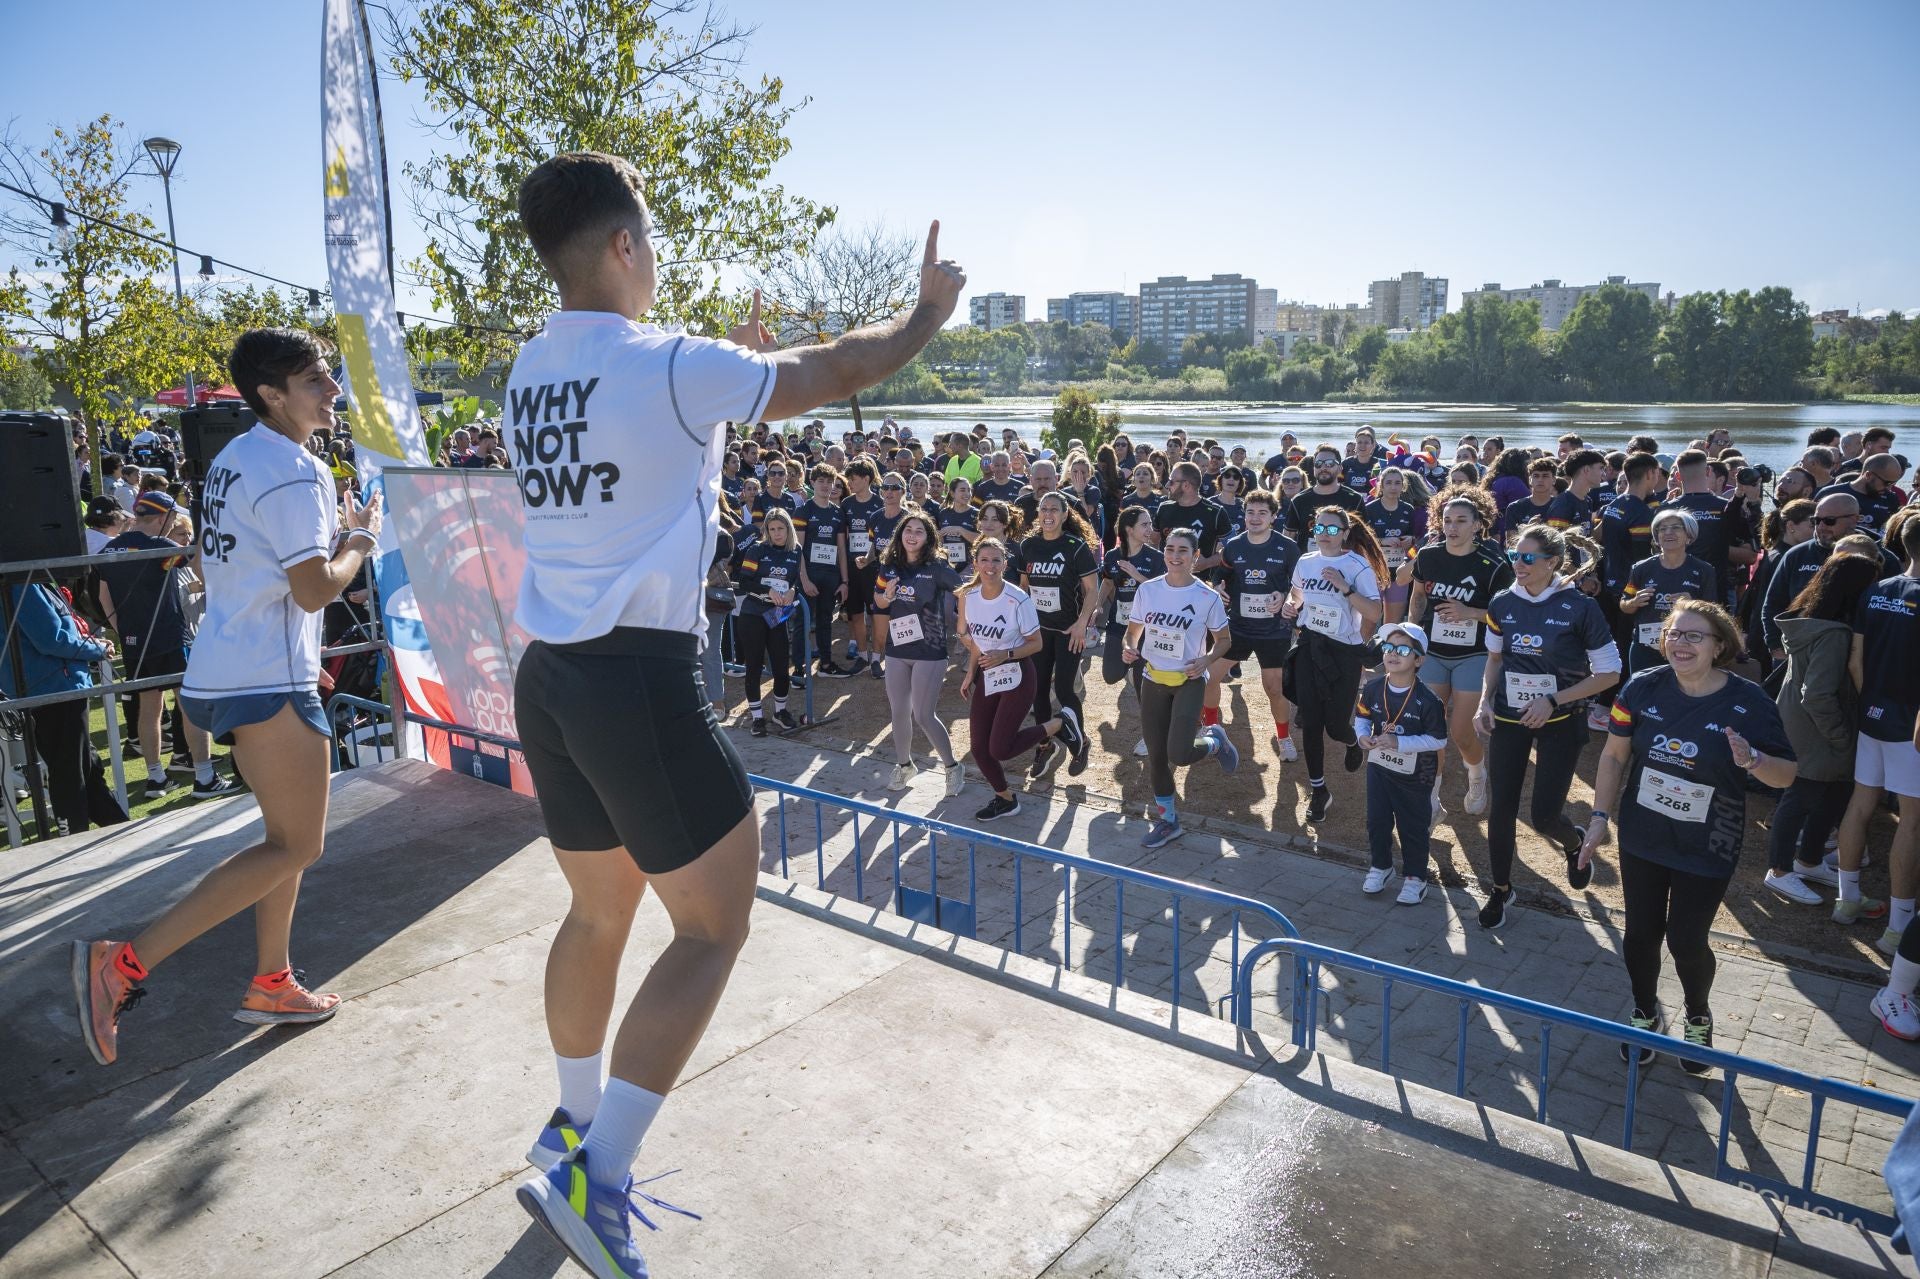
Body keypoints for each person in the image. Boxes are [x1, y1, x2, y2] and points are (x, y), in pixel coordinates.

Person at [501, 153, 964, 1277]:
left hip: (550, 674)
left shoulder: (528, 369)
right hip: (637, 678)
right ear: (623, 245)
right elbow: (831, 368)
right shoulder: (668, 363)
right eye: (649, 240)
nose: (656, 260)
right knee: (713, 927)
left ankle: (568, 1124)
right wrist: (923, 316)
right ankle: (597, 1174)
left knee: (597, 912)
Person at [74, 327, 383, 1067]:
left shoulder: (235, 458)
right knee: (297, 843)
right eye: (316, 380)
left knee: (285, 841)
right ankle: (121, 965)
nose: (332, 390)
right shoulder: (295, 468)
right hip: (265, 678)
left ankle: (273, 979)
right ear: (272, 395)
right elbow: (314, 590)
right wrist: (361, 539)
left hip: (229, 669)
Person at [1580, 600, 1796, 1072]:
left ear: (1720, 645)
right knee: (1639, 934)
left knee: (1686, 939)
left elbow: (1786, 776)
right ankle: (1644, 1012)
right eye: (1674, 633)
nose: (1680, 642)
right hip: (1644, 833)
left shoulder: (1748, 701)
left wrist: (1754, 761)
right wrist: (1599, 817)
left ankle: (1698, 1014)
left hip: (1708, 840)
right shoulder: (1642, 687)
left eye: (1694, 635)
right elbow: (1614, 756)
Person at [1474, 523, 1622, 930]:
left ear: (1552, 562)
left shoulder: (1579, 606)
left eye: (1527, 558)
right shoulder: (1502, 603)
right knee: (1500, 808)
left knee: (1543, 817)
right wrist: (1485, 701)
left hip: (1560, 719)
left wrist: (1554, 699)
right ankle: (1501, 889)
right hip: (1508, 716)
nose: (1517, 565)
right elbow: (1495, 659)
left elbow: (1610, 673)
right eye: (1513, 557)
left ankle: (1573, 843)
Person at [95, 491, 238, 801]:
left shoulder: (110, 547)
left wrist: (124, 630)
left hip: (135, 642)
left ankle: (156, 778)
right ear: (162, 519)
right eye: (172, 518)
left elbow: (103, 597)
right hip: (170, 636)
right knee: (188, 704)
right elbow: (200, 567)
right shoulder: (161, 545)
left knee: (149, 708)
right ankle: (204, 776)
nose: (174, 523)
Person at [1767, 553, 1882, 904]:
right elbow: (1816, 695)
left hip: (1803, 722)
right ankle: (1779, 870)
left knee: (1833, 793)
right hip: (1817, 729)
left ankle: (1809, 860)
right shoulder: (1833, 634)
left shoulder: (1813, 622)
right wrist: (1841, 737)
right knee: (1800, 796)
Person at [1830, 517, 1920, 949]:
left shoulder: (1879, 589)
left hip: (1874, 716)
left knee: (1861, 802)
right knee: (1912, 821)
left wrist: (1873, 705)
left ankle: (1847, 900)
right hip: (1912, 728)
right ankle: (1899, 926)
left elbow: (1855, 660)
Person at [957, 538, 1087, 821]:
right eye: (984, 560)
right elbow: (978, 639)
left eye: (996, 560)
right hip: (989, 674)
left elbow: (1036, 643)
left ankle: (1059, 723)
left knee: (1000, 748)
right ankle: (1005, 799)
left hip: (1017, 673)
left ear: (1005, 563)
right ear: (975, 562)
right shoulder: (968, 596)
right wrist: (970, 673)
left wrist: (1006, 654)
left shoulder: (1018, 598)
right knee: (980, 749)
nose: (989, 566)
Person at [1123, 529, 1237, 848]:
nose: (1175, 556)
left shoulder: (1207, 597)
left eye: (1183, 551)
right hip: (1153, 679)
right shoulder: (1148, 590)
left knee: (1180, 754)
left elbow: (1225, 640)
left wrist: (1206, 659)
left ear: (1195, 555)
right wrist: (1129, 647)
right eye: (1170, 549)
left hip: (1188, 680)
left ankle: (1214, 741)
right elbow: (1132, 633)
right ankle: (1169, 821)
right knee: (1158, 757)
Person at [1408, 487, 1513, 816]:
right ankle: (1432, 801)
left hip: (1475, 654)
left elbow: (1509, 614)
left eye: (1461, 521)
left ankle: (1477, 773)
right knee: (1430, 729)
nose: (1452, 527)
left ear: (1477, 524)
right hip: (1434, 652)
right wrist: (1412, 637)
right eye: (1447, 520)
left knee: (1460, 731)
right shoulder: (1428, 555)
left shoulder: (1493, 563)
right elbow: (1418, 598)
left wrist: (1470, 612)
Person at [1281, 505, 1386, 823]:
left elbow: (1374, 613)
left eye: (1331, 529)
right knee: (1311, 722)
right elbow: (1296, 595)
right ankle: (1319, 790)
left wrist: (1346, 588)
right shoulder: (1306, 561)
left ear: (1344, 533)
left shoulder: (1357, 565)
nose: (1323, 534)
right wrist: (1289, 605)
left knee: (1337, 725)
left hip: (1345, 652)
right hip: (1312, 646)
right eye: (1319, 528)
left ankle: (1353, 742)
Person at [1354, 623, 1449, 903]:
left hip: (1417, 772)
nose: (1393, 654)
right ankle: (1381, 866)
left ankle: (1416, 876)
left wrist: (1400, 743)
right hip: (1379, 767)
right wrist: (1362, 738)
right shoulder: (1372, 688)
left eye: (1404, 649)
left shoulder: (1429, 700)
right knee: (1377, 820)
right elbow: (1362, 718)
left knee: (1413, 824)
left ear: (1419, 660)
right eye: (1389, 647)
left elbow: (1438, 740)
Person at [873, 511, 965, 795]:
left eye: (919, 531)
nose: (912, 535)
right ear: (900, 534)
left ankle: (952, 767)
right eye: (907, 529)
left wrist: (962, 624)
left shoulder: (937, 567)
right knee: (899, 712)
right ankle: (904, 766)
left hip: (930, 650)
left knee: (924, 715)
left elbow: (965, 591)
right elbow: (877, 599)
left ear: (928, 538)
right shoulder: (889, 566)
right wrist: (886, 596)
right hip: (897, 648)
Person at [1208, 489, 1300, 761]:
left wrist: (1285, 597)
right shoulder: (1234, 546)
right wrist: (1218, 588)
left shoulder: (1287, 547)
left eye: (1262, 513)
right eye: (1250, 512)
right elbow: (1219, 576)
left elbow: (1301, 587)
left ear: (1274, 516)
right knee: (1209, 677)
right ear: (1244, 515)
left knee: (1273, 688)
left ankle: (1283, 738)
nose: (1256, 518)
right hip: (1238, 628)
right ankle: (1211, 729)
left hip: (1274, 631)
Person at [1017, 491, 1099, 780]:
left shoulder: (1075, 547)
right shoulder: (1028, 545)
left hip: (1068, 631)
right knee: (1036, 690)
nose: (1048, 514)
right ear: (1038, 513)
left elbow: (1092, 590)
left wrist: (1081, 624)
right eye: (1043, 509)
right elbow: (1023, 588)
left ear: (1065, 515)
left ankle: (1081, 742)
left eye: (1054, 509)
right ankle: (1044, 745)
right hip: (1038, 632)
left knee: (1064, 690)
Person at [1098, 506, 1165, 756]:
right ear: (1129, 529)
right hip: (1118, 624)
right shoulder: (1113, 556)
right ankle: (1129, 668)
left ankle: (1150, 736)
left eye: (1150, 524)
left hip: (1146, 631)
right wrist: (1096, 606)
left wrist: (1136, 575)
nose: (1150, 529)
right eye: (1144, 525)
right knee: (1110, 675)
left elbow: (1161, 591)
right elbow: (1106, 581)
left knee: (1141, 687)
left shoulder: (1156, 558)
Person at [1618, 509, 1714, 674]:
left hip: (1685, 647)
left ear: (1688, 535)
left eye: (1676, 528)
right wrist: (1633, 602)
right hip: (1645, 648)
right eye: (1662, 529)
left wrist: (1693, 604)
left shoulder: (1704, 570)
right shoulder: (1641, 568)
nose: (1668, 532)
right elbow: (1624, 604)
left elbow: (1714, 612)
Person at [794, 464, 854, 679]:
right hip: (808, 576)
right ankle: (799, 669)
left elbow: (841, 549)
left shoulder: (838, 513)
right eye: (821, 481)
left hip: (830, 577)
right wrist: (804, 579)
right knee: (802, 623)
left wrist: (845, 581)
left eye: (829, 482)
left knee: (825, 621)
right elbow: (796, 549)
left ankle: (826, 665)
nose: (826, 486)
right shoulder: (803, 510)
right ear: (812, 483)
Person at [1364, 466, 1424, 625]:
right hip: (1373, 571)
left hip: (1398, 573)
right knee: (1369, 621)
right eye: (1388, 483)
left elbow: (1412, 541)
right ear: (1381, 486)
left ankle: (1387, 649)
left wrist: (1409, 540)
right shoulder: (1370, 508)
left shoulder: (1408, 509)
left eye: (1397, 483)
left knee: (1392, 623)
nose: (1393, 487)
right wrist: (1382, 541)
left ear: (1403, 486)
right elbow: (1361, 540)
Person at [1283, 444, 1366, 542]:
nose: (1323, 468)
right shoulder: (1299, 500)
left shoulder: (1355, 499)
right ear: (1314, 469)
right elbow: (1288, 538)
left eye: (1329, 463)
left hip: (1343, 556)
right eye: (1318, 464)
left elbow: (1364, 538)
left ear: (1340, 468)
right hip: (1308, 556)